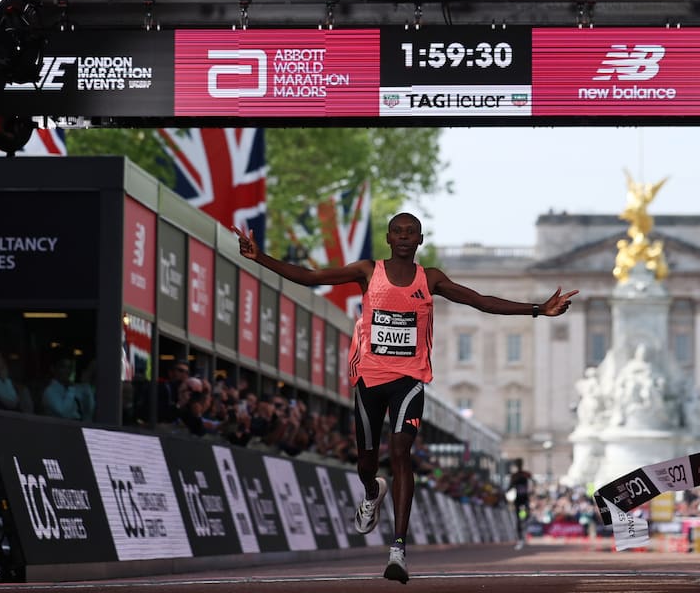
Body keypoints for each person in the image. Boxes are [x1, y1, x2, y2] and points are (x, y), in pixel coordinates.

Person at [235, 212, 577, 584]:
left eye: (409, 233)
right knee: (366, 462)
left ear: (419, 240)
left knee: (400, 452)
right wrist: (260, 257)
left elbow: (479, 300)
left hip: (409, 380)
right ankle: (371, 491)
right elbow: (312, 277)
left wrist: (537, 309)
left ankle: (398, 547)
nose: (402, 237)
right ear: (388, 238)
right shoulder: (368, 271)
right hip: (369, 378)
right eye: (397, 232)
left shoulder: (430, 279)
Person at [507, 459, 534, 550]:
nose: (519, 465)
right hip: (518, 499)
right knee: (518, 519)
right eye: (517, 464)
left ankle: (524, 523)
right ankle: (520, 538)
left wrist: (532, 491)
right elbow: (510, 486)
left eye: (520, 464)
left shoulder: (526, 474)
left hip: (525, 498)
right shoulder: (514, 476)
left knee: (526, 515)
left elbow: (533, 482)